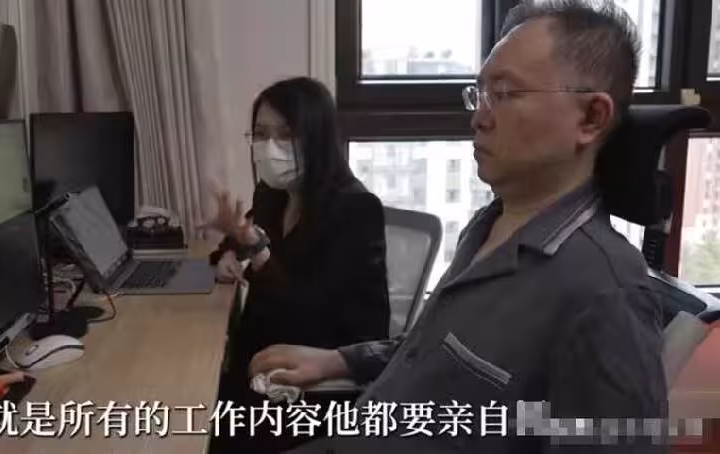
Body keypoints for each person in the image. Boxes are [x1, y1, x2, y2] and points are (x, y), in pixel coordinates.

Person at [250, 1, 668, 453]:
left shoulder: (605, 295)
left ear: (591, 118)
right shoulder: (488, 225)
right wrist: (338, 360)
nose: (479, 117)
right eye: (479, 94)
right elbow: (436, 351)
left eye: (504, 94)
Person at [203, 77, 391, 453]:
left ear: (317, 139)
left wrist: (257, 251)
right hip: (259, 360)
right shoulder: (272, 194)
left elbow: (311, 314)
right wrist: (229, 254)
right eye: (260, 134)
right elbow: (243, 237)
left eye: (286, 134)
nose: (270, 146)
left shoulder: (356, 209)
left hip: (312, 377)